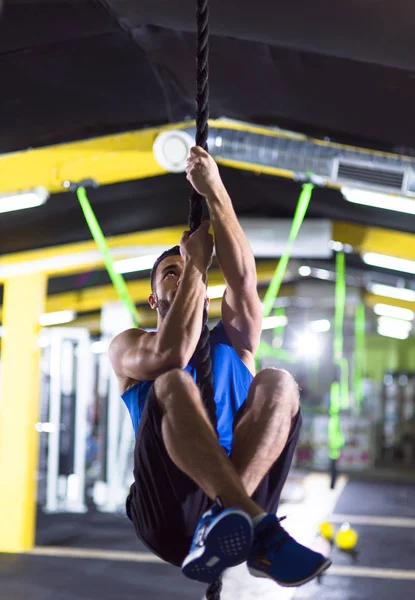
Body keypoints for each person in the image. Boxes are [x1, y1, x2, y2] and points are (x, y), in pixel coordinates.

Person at [109, 147, 330, 587]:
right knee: (171, 383)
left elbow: (243, 280)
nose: (183, 272)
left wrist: (214, 190)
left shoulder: (234, 345)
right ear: (153, 299)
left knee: (280, 383)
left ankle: (237, 516)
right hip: (169, 512)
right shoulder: (130, 347)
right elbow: (172, 353)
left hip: (234, 516)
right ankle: (246, 518)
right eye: (170, 272)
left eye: (187, 268)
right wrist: (193, 262)